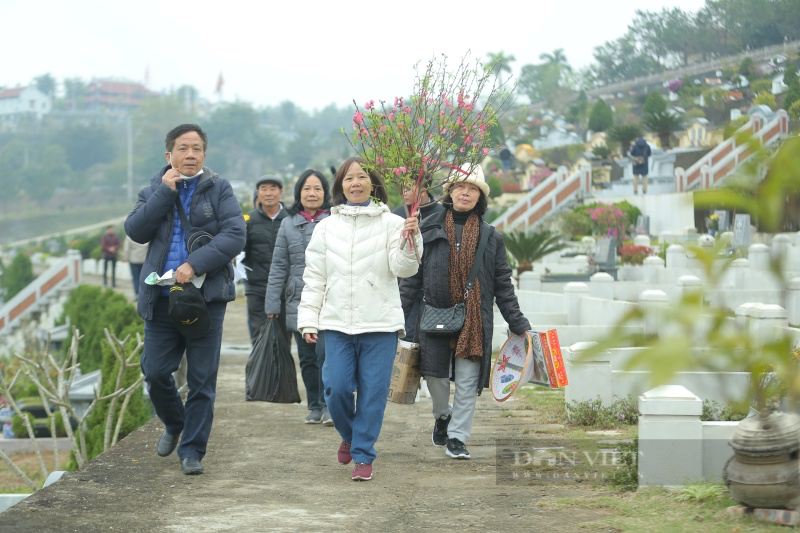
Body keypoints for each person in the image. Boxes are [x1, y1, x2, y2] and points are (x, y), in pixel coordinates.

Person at [124, 124, 246, 475]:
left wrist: (194, 264)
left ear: (204, 155)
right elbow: (136, 231)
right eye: (182, 148)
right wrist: (165, 192)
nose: (189, 154)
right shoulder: (152, 189)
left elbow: (235, 234)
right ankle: (174, 422)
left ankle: (192, 451)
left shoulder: (219, 188)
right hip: (161, 299)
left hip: (205, 299)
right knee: (156, 371)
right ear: (169, 155)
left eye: (196, 148)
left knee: (202, 381)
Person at [297, 156, 421, 482]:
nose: (355, 183)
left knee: (373, 393)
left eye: (362, 177)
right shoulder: (326, 227)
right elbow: (314, 278)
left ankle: (364, 455)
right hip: (336, 322)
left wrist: (412, 238)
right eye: (348, 178)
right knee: (335, 388)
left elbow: (405, 268)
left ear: (373, 183)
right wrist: (309, 320)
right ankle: (350, 436)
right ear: (340, 186)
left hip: (379, 323)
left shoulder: (393, 223)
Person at [399, 164, 530, 460]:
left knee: (468, 382)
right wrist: (398, 318)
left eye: (473, 189)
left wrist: (518, 323)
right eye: (460, 187)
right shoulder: (428, 227)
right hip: (433, 313)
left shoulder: (491, 237)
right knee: (435, 378)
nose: (466, 192)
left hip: (473, 319)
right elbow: (411, 278)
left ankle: (457, 438)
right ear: (450, 192)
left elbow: (502, 285)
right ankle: (442, 414)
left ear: (480, 197)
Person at [265, 169, 332, 425]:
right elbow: (279, 266)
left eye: (317, 188)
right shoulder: (287, 223)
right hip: (298, 301)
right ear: (299, 193)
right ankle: (314, 404)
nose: (312, 193)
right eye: (306, 188)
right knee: (307, 358)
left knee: (326, 355)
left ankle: (328, 404)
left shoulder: (334, 220)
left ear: (325, 193)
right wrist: (272, 303)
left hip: (329, 300)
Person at [391, 176, 444, 342]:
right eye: (403, 189)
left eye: (408, 188)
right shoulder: (397, 215)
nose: (404, 193)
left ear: (424, 189)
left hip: (433, 289)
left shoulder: (442, 214)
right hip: (404, 286)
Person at [242, 175, 288, 344]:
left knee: (283, 339)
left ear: (281, 192)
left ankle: (282, 372)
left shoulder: (290, 219)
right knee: (259, 338)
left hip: (285, 291)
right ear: (257, 193)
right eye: (264, 189)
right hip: (257, 288)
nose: (268, 193)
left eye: (273, 188)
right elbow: (239, 252)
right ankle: (258, 371)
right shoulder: (248, 220)